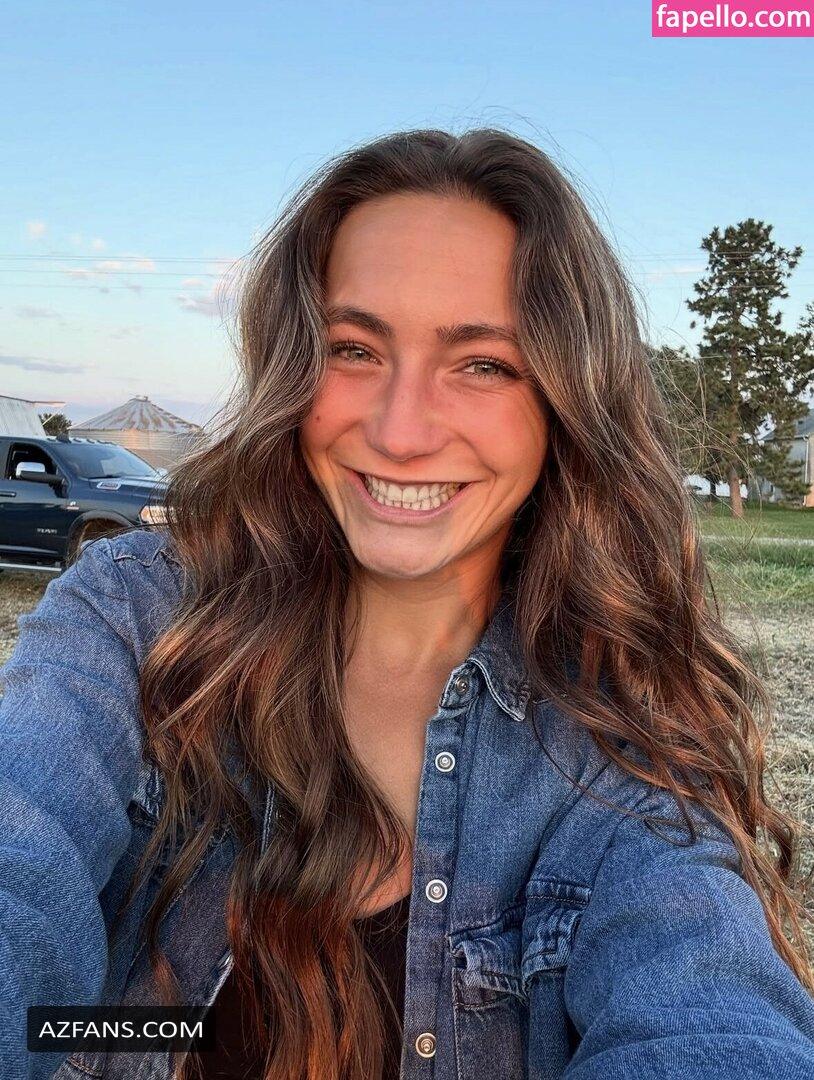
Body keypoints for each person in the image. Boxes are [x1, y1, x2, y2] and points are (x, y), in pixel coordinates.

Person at [1, 127, 813, 1080]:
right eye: (353, 349)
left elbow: (707, 1010)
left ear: (566, 403)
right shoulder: (138, 620)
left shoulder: (617, 735)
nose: (399, 430)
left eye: (483, 364)